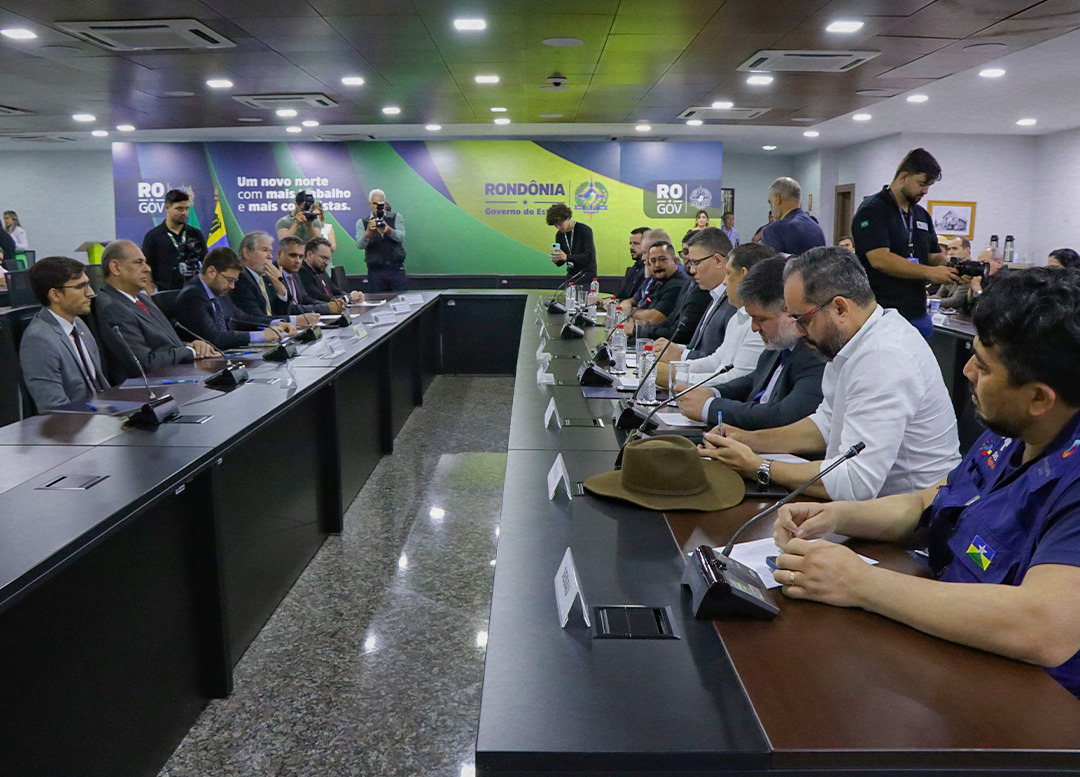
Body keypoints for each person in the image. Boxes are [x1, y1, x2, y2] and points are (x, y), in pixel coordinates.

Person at [769, 267, 1080, 700]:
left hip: (1028, 706)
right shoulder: (1013, 432)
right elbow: (928, 503)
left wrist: (859, 583)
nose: (967, 371)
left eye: (985, 367)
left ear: (1039, 398)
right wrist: (837, 515)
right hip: (951, 648)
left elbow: (1044, 627)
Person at [699, 246, 960, 501]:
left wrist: (759, 466)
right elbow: (825, 425)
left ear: (840, 308)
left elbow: (855, 481)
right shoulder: (854, 341)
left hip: (914, 523)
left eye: (802, 319)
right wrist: (746, 440)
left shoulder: (883, 357)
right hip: (874, 510)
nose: (798, 331)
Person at [677, 256, 826, 429]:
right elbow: (753, 379)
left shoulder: (815, 353)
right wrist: (712, 392)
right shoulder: (780, 344)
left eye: (760, 319)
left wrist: (709, 407)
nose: (754, 328)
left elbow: (782, 415)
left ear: (789, 310)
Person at [851, 148, 959, 340]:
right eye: (922, 184)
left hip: (917, 313)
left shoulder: (921, 215)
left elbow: (932, 255)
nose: (925, 190)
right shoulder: (873, 210)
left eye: (929, 186)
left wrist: (952, 269)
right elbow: (880, 259)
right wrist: (929, 272)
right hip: (883, 312)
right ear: (903, 177)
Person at [93, 240, 218, 382]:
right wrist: (190, 352)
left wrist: (193, 345)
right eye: (139, 262)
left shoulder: (142, 299)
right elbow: (144, 363)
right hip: (147, 390)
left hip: (174, 377)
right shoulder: (112, 307)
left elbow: (166, 345)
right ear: (115, 268)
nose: (147, 269)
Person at [659, 241, 774, 394]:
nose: (724, 281)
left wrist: (675, 376)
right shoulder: (738, 317)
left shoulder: (757, 325)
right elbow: (716, 362)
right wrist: (673, 367)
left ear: (743, 275)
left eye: (728, 274)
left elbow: (736, 379)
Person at [19, 256, 110, 411]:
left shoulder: (78, 324)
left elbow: (99, 385)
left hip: (101, 413)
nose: (90, 292)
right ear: (55, 295)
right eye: (81, 286)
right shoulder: (38, 340)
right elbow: (54, 409)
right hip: (74, 426)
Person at [174, 246, 295, 351]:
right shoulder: (192, 296)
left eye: (234, 281)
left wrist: (275, 324)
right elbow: (215, 338)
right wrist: (262, 336)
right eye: (230, 280)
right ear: (211, 272)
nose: (232, 286)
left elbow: (242, 319)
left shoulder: (218, 290)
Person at [654, 228, 740, 365]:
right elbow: (697, 348)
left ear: (718, 260)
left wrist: (681, 356)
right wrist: (674, 349)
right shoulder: (715, 295)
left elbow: (722, 362)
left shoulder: (733, 304)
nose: (692, 270)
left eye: (696, 263)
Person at [631, 231, 716, 344]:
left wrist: (636, 330)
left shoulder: (693, 287)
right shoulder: (689, 284)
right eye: (685, 252)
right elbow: (670, 321)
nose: (688, 258)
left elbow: (679, 333)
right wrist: (638, 330)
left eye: (662, 259)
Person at [231, 231, 320, 327]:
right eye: (264, 250)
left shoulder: (266, 278)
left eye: (270, 251)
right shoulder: (240, 278)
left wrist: (282, 291)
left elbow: (280, 313)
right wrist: (295, 320)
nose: (270, 256)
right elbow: (256, 318)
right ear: (247, 253)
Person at [141, 189, 208, 291]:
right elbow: (146, 269)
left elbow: (206, 263)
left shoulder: (196, 234)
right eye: (179, 208)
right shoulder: (153, 236)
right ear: (167, 208)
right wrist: (152, 297)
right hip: (165, 293)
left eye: (186, 208)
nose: (184, 213)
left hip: (194, 291)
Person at [275, 236, 344, 316]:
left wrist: (330, 305)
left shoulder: (294, 273)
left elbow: (305, 299)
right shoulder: (272, 274)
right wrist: (326, 308)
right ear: (279, 254)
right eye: (293, 255)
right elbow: (290, 309)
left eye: (301, 257)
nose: (298, 261)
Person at [356, 188, 407, 292]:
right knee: (377, 303)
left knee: (400, 300)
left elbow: (402, 237)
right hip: (375, 271)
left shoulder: (396, 217)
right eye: (375, 204)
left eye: (381, 204)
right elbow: (360, 245)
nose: (378, 207)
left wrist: (389, 230)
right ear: (370, 204)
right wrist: (368, 232)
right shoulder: (362, 222)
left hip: (396, 269)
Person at [760, 178, 825, 256]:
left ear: (778, 198)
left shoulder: (774, 230)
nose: (771, 208)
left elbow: (769, 267)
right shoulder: (816, 228)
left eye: (770, 202)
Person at [628, 241, 688, 324]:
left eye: (663, 259)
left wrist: (629, 312)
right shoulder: (657, 282)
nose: (657, 265)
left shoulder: (676, 286)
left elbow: (653, 318)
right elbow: (643, 308)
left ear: (675, 262)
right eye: (653, 261)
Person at [300, 237, 364, 304]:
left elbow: (335, 290)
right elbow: (319, 297)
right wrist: (348, 298)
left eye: (328, 259)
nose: (327, 262)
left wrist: (353, 296)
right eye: (324, 258)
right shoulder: (302, 272)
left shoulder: (321, 271)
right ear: (309, 255)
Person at [546, 202, 597, 281]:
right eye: (556, 226)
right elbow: (562, 261)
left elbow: (589, 257)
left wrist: (567, 257)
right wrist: (557, 260)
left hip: (587, 276)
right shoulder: (560, 235)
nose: (559, 228)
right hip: (571, 276)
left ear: (568, 218)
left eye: (560, 224)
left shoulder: (585, 230)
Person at [934, 236, 974, 310]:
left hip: (963, 315)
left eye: (955, 248)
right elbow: (939, 295)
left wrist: (927, 301)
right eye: (949, 249)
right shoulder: (953, 268)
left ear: (967, 250)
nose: (950, 252)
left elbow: (956, 301)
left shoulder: (970, 269)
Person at [616, 227, 650, 300]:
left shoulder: (650, 271)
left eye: (636, 243)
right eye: (630, 243)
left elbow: (640, 301)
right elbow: (622, 295)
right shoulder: (633, 269)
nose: (631, 247)